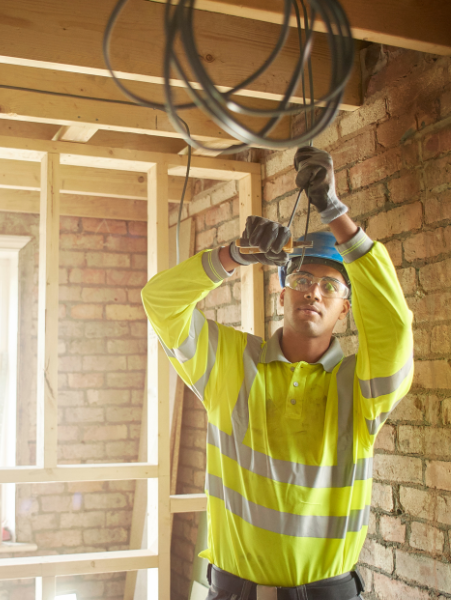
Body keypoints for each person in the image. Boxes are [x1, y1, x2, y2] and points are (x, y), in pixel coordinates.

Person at [142, 147, 414, 600]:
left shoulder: (360, 387)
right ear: (282, 294)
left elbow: (393, 325)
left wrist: (334, 210)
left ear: (346, 307)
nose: (314, 293)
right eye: (302, 281)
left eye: (331, 287)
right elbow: (160, 302)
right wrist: (233, 255)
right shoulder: (230, 362)